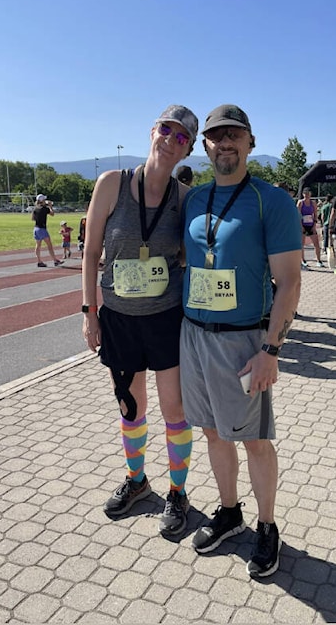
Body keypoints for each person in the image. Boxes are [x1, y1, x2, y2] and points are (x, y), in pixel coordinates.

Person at [182, 104, 302, 578]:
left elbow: (289, 283)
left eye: (235, 135)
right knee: (212, 432)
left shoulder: (270, 200)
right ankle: (229, 512)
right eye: (216, 136)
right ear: (205, 146)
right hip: (192, 335)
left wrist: (271, 350)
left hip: (244, 341)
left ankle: (267, 526)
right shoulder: (193, 199)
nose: (225, 142)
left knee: (253, 439)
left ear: (251, 143)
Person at [81, 104, 199, 538]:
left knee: (175, 411)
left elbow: (188, 256)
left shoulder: (184, 199)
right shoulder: (111, 183)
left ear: (186, 151)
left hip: (166, 319)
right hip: (120, 320)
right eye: (166, 129)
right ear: (152, 131)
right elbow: (92, 252)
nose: (171, 139)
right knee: (131, 408)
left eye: (182, 137)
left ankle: (177, 492)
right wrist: (89, 312)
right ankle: (137, 480)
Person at [32, 195, 63, 267]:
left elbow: (33, 218)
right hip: (42, 229)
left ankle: (39, 261)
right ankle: (55, 260)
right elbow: (52, 214)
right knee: (49, 245)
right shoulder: (44, 209)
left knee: (38, 245)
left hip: (36, 228)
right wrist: (50, 206)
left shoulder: (35, 208)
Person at [297, 188, 323, 268]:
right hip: (303, 224)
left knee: (316, 243)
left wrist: (314, 226)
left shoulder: (313, 203)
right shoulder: (300, 203)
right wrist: (301, 226)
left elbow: (315, 214)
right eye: (305, 193)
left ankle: (319, 260)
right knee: (302, 243)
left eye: (308, 193)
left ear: (310, 194)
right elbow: (298, 215)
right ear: (303, 194)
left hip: (311, 224)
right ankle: (303, 260)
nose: (307, 195)